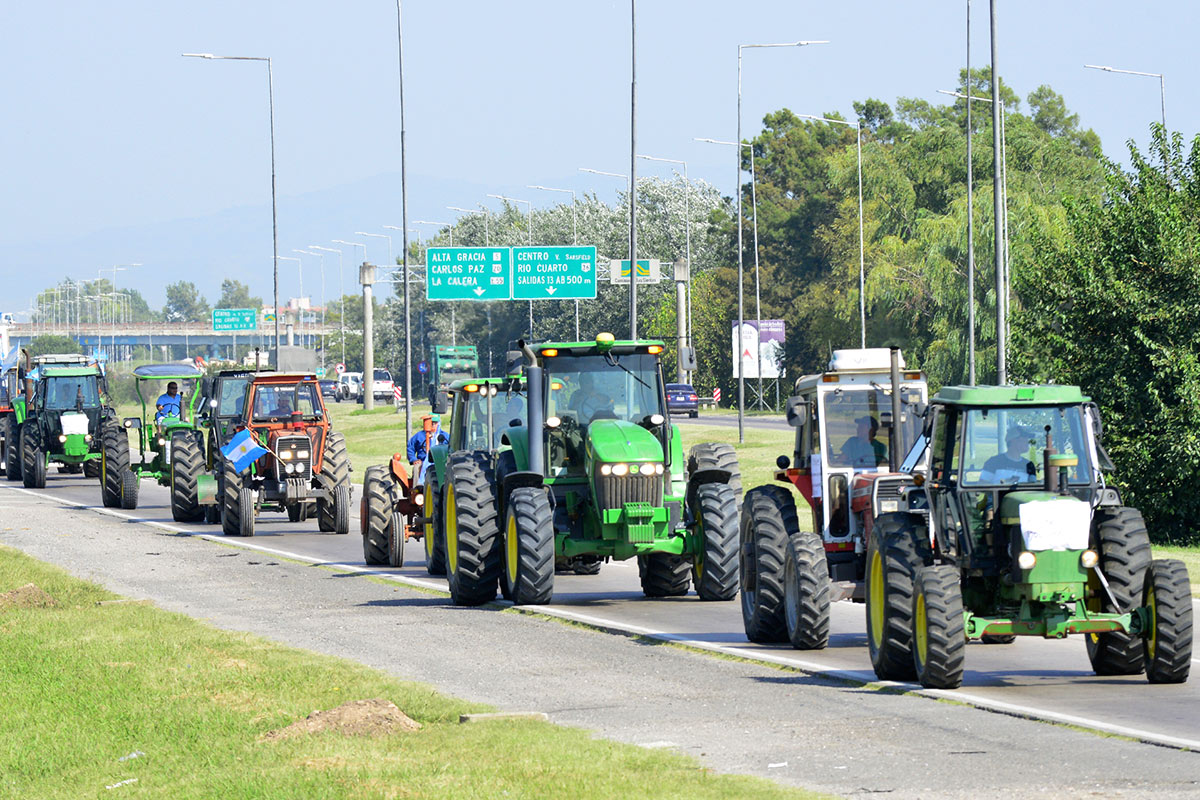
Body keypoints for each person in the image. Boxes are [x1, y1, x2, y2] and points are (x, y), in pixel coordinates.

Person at [407, 414, 449, 483]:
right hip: (422, 461)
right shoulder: (419, 436)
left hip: (440, 462)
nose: (433, 425)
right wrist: (414, 459)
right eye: (431, 423)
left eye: (435, 423)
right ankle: (418, 488)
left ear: (438, 423)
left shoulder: (445, 436)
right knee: (416, 468)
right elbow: (410, 448)